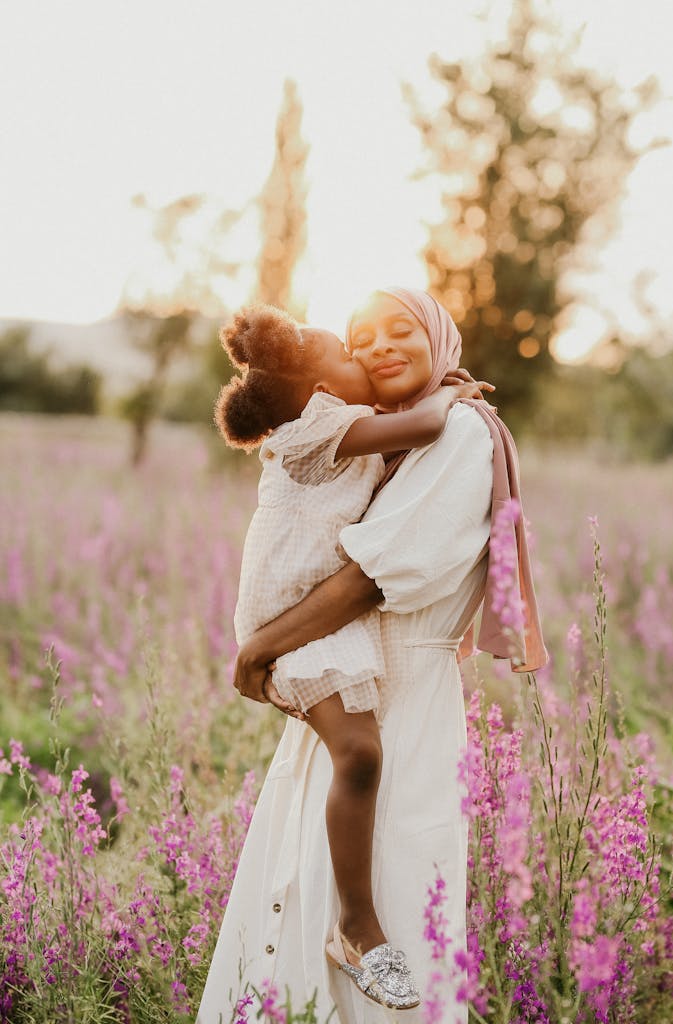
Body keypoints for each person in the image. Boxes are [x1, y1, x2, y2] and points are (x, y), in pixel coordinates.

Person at [196, 288, 546, 1024]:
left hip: (401, 698)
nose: (377, 348)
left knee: (388, 890)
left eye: (400, 330)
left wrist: (258, 647)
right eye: (359, 340)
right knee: (301, 901)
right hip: (350, 678)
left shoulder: (458, 433)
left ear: (440, 338)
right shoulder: (371, 430)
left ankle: (358, 932)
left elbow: (369, 578)